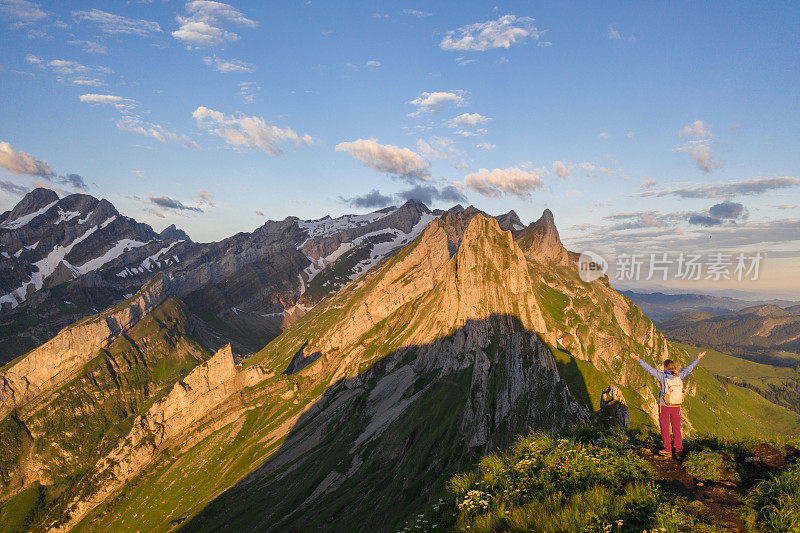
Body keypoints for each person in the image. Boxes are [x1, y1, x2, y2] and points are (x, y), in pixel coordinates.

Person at [629, 350, 706, 459]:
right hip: (676, 407)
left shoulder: (662, 376)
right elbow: (689, 368)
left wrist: (637, 359)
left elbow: (649, 369)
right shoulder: (679, 376)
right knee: (677, 429)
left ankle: (667, 449)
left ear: (665, 368)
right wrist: (698, 357)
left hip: (664, 406)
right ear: (674, 368)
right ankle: (679, 451)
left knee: (665, 428)